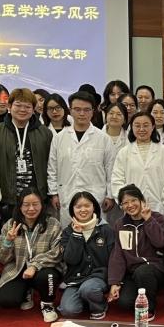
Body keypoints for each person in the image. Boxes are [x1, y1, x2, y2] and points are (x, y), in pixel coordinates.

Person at [0, 187, 63, 323]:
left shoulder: (53, 224)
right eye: (26, 205)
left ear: (42, 205)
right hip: (18, 268)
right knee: (7, 301)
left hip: (44, 268)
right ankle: (26, 291)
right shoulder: (11, 224)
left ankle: (47, 304)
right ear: (19, 206)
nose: (31, 209)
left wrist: (34, 266)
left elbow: (56, 252)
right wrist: (8, 242)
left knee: (48, 276)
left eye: (35, 204)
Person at [47, 91, 116, 228]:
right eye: (77, 109)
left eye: (86, 110)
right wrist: (53, 193)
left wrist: (110, 195)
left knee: (96, 234)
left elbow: (111, 169)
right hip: (67, 196)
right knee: (69, 234)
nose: (82, 113)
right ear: (70, 110)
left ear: (93, 111)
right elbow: (52, 168)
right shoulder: (59, 138)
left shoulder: (103, 139)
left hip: (96, 196)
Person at [0, 88, 52, 222]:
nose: (22, 110)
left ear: (33, 109)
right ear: (9, 107)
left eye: (27, 106)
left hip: (38, 199)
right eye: (18, 105)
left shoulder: (45, 133)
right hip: (7, 199)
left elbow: (52, 166)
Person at [107, 184, 164, 318]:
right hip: (132, 272)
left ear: (142, 201)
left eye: (133, 200)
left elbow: (161, 243)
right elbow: (118, 254)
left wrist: (148, 220)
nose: (130, 205)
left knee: (143, 272)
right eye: (125, 203)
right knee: (124, 303)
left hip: (154, 268)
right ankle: (140, 293)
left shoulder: (156, 217)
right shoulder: (120, 224)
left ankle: (149, 308)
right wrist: (115, 282)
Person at [57, 192, 115, 319]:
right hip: (75, 279)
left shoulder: (106, 229)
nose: (83, 210)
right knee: (68, 310)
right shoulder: (67, 232)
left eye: (87, 206)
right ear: (72, 209)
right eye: (78, 207)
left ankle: (99, 306)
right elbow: (70, 260)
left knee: (88, 289)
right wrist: (77, 235)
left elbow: (113, 258)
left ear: (94, 207)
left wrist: (114, 282)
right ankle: (87, 299)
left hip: (98, 277)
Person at [111, 111, 164, 215]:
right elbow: (117, 181)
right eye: (137, 126)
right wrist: (128, 203)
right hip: (132, 210)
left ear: (153, 127)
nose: (141, 129)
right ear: (132, 127)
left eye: (146, 125)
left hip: (159, 208)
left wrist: (163, 204)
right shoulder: (124, 152)